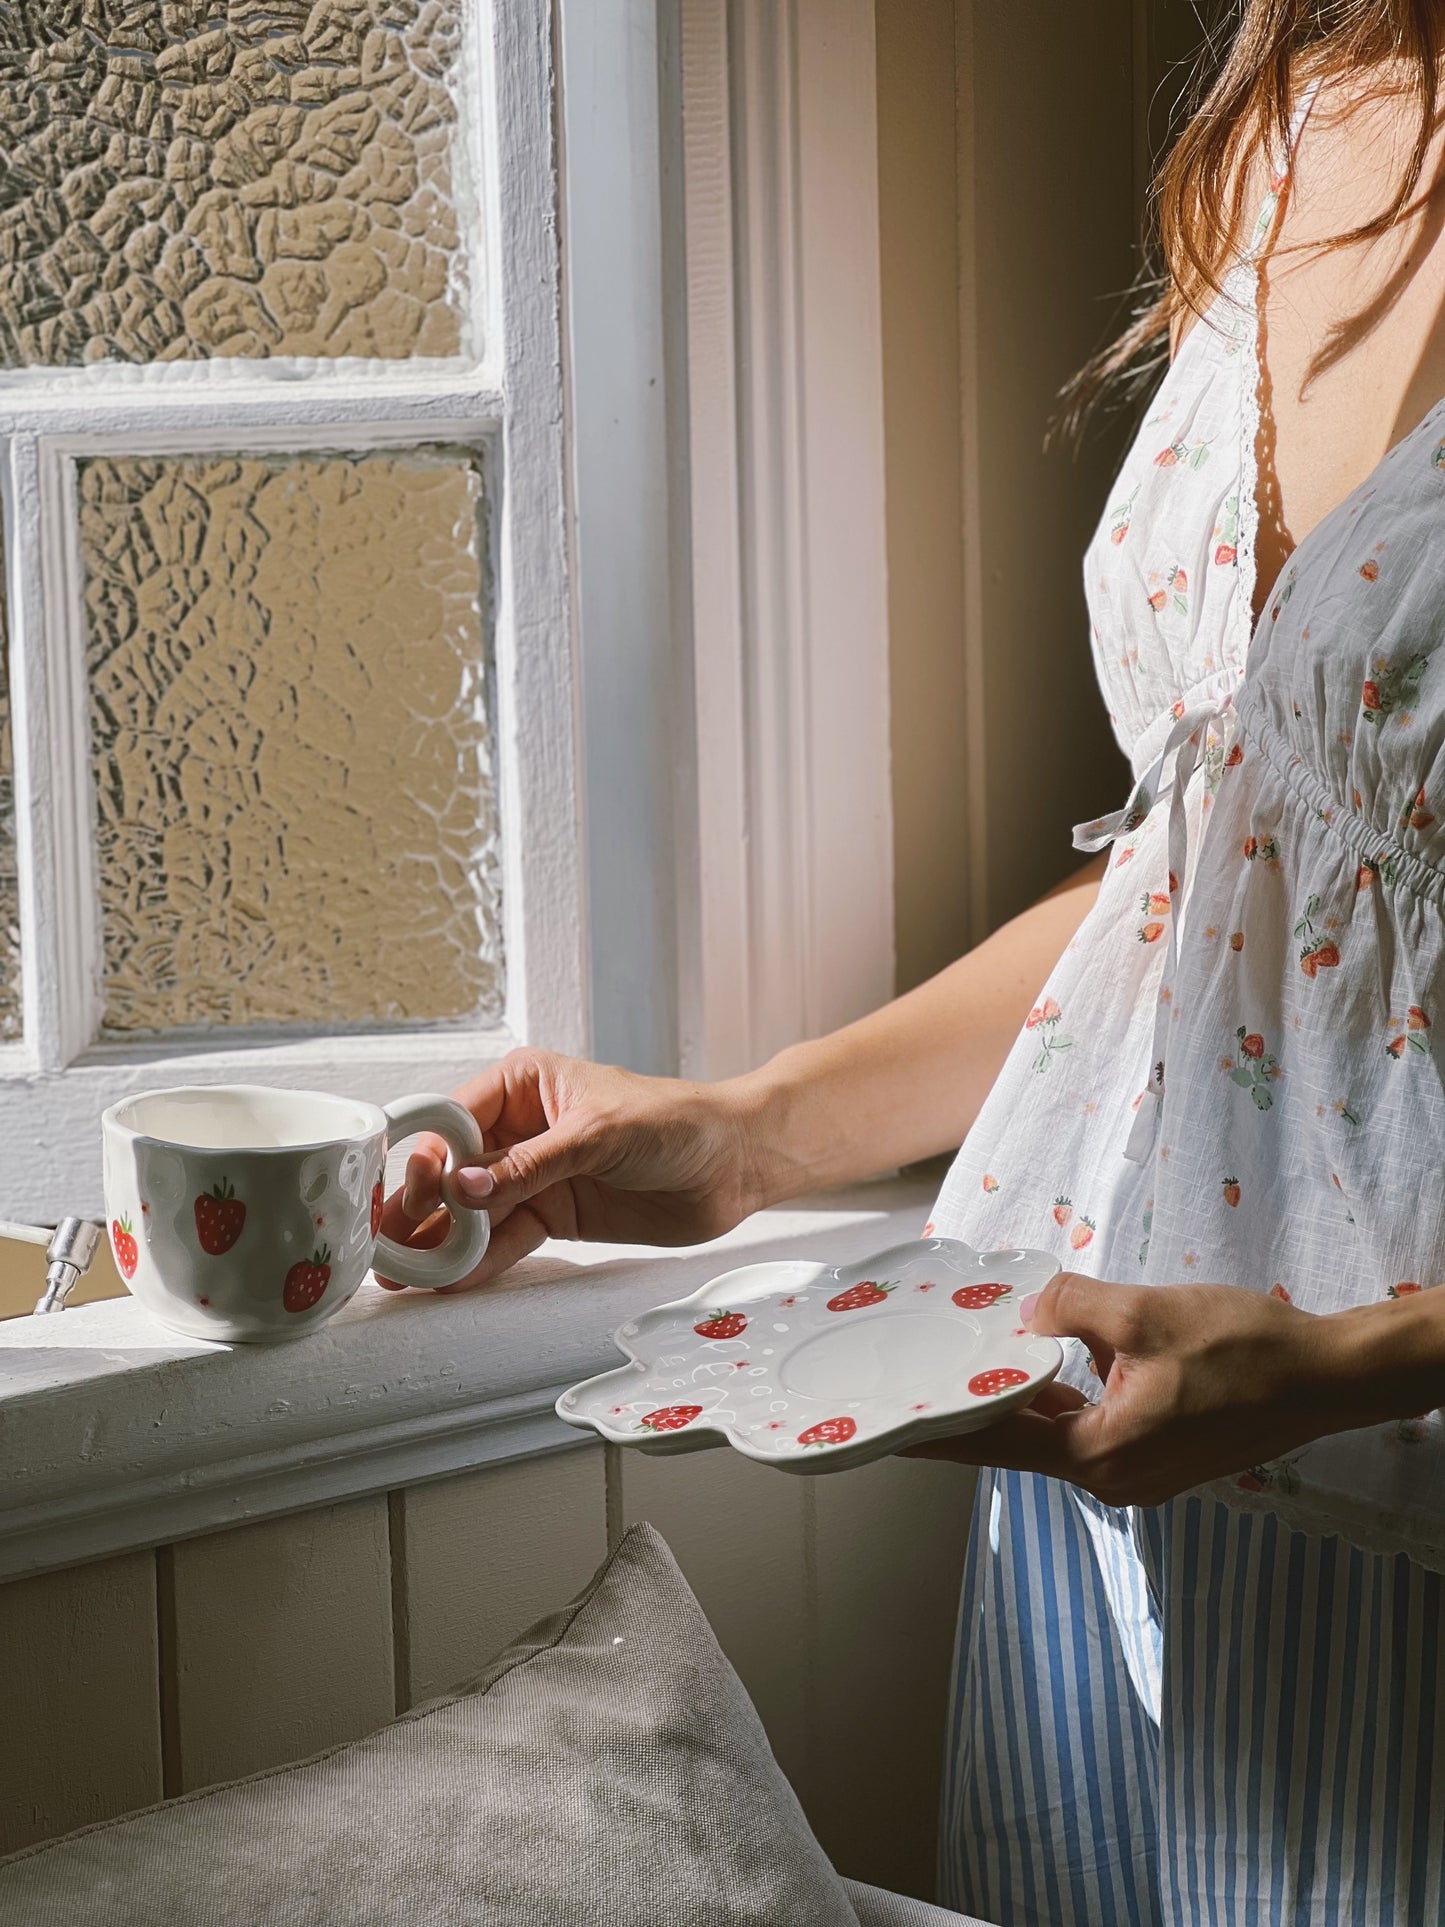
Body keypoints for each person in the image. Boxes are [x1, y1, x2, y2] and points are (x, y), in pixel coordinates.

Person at [381, 7, 1445, 1919]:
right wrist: (753, 1130)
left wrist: (1359, 1359)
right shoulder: (1305, 104)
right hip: (1120, 1487)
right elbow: (1228, 887)